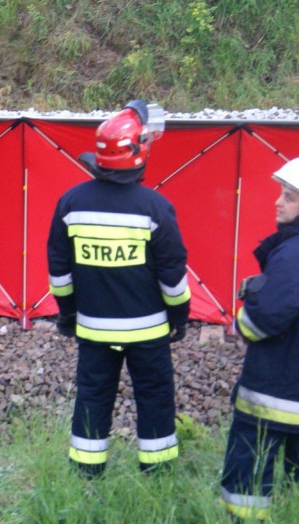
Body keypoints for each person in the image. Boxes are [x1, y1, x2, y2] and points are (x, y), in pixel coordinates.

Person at [47, 99, 191, 477]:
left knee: (93, 397)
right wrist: (180, 317)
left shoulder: (71, 204)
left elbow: (59, 274)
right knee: (155, 397)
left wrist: (68, 314)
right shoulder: (155, 209)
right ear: (140, 153)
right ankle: (157, 475)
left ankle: (86, 475)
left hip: (93, 327)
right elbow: (172, 276)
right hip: (149, 331)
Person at [220, 156, 299, 522]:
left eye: (289, 196)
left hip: (275, 394)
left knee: (249, 470)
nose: (278, 201)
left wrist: (248, 306)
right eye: (282, 193)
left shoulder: (292, 256)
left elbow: (259, 324)